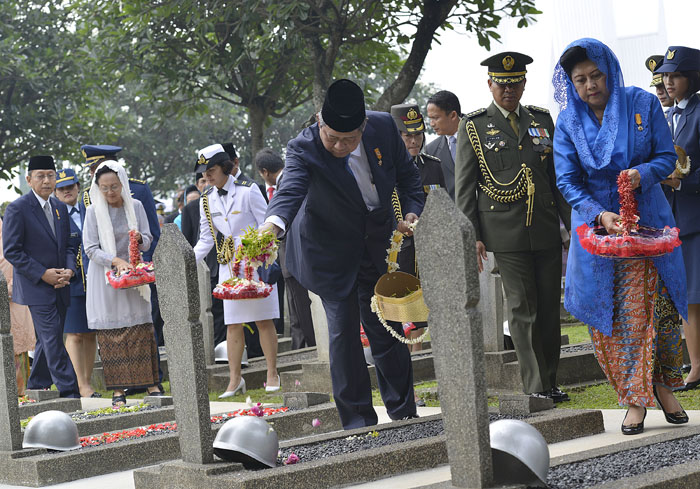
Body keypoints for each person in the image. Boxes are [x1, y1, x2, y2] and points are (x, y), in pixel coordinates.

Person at [262, 79, 424, 429]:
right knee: (344, 334)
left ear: (363, 127)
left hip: (377, 242)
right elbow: (288, 193)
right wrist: (270, 228)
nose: (338, 145)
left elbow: (409, 179)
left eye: (348, 140)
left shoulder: (382, 127)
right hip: (330, 250)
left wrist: (411, 212)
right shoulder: (304, 148)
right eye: (331, 137)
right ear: (320, 121)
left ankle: (404, 414)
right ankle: (358, 423)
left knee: (388, 328)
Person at [553, 38, 689, 434]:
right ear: (572, 85)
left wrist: (641, 174)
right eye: (580, 80)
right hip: (600, 236)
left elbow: (666, 157)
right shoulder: (568, 121)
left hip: (648, 227)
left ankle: (664, 387)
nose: (590, 85)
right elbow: (567, 179)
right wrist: (600, 214)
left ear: (609, 71)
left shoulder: (642, 104)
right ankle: (633, 398)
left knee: (658, 313)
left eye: (596, 75)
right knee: (618, 318)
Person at [455, 51, 571, 403]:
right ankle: (536, 387)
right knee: (522, 308)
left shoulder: (541, 119)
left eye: (515, 83)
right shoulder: (473, 126)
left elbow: (556, 178)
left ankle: (551, 380)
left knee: (550, 307)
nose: (509, 90)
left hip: (547, 228)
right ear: (489, 84)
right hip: (505, 232)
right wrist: (472, 236)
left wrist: (573, 227)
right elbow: (465, 188)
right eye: (501, 84)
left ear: (524, 83)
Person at [193, 143, 280, 397]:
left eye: (211, 170)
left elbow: (268, 225)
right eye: (203, 173)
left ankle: (272, 373)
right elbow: (207, 239)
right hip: (229, 267)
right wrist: (187, 260)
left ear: (225, 167)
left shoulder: (249, 190)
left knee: (264, 320)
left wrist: (257, 250)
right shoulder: (206, 200)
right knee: (233, 324)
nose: (206, 177)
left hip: (256, 264)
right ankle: (235, 380)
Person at [80, 144, 165, 391]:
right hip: (106, 275)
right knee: (112, 333)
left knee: (141, 328)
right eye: (104, 188)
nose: (110, 192)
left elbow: (149, 237)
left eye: (114, 187)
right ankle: (118, 388)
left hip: (134, 276)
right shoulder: (93, 211)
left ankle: (151, 384)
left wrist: (139, 240)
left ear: (123, 184)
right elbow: (90, 248)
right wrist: (115, 261)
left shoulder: (135, 206)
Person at [2, 155, 80, 398]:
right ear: (29, 179)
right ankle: (71, 393)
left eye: (50, 175)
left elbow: (68, 246)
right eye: (40, 176)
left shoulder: (59, 207)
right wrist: (42, 274)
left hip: (61, 283)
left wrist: (70, 270)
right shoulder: (18, 208)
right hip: (37, 287)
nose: (46, 180)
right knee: (53, 339)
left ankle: (37, 385)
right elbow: (12, 250)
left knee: (51, 338)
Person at [655, 45, 700, 391]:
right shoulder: (668, 116)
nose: (668, 81)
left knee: (694, 296)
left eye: (676, 75)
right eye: (666, 76)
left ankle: (696, 366)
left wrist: (684, 180)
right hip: (673, 219)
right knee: (686, 297)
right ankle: (694, 363)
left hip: (696, 215)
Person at [390, 103, 445, 351]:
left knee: (426, 301)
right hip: (396, 248)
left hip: (427, 246)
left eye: (418, 134)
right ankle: (408, 353)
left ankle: (419, 353)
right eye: (407, 135)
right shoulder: (385, 168)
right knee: (402, 302)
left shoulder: (433, 165)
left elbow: (441, 205)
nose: (414, 141)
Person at [255, 148, 315, 349]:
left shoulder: (287, 183)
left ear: (265, 171)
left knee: (302, 305)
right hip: (288, 258)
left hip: (296, 254)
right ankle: (300, 346)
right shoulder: (287, 180)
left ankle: (314, 346)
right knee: (295, 307)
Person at [54, 168, 99, 398]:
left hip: (94, 279)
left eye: (70, 187)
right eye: (61, 189)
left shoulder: (90, 210)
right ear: (56, 193)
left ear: (78, 187)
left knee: (91, 333)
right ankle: (80, 384)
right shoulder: (55, 214)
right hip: (70, 280)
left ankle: (88, 381)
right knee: (74, 334)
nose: (67, 191)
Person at [0, 218, 36, 396]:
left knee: (18, 345)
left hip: (14, 293)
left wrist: (12, 285)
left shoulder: (6, 228)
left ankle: (21, 395)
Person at [424, 90, 462, 200]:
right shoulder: (431, 150)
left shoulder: (478, 135)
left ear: (453, 115)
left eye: (435, 118)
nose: (432, 124)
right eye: (430, 119)